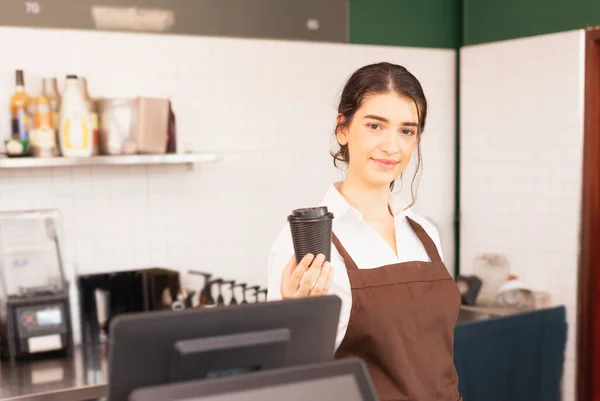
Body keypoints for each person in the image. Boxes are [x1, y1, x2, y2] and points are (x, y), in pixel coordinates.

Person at [266, 62, 462, 401]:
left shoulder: (424, 233)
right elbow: (285, 379)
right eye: (375, 126)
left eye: (407, 131)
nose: (392, 146)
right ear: (343, 129)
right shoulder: (309, 241)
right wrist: (294, 319)